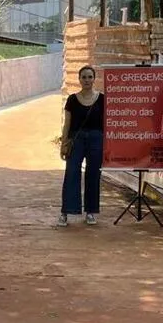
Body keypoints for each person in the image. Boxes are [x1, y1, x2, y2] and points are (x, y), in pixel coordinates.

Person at [57, 65, 105, 227]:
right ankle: (66, 211)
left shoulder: (102, 99)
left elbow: (106, 123)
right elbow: (67, 124)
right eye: (83, 77)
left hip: (96, 139)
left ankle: (90, 211)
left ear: (94, 79)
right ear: (79, 79)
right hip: (76, 139)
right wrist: (64, 144)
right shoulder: (72, 99)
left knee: (93, 174)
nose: (87, 80)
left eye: (89, 77)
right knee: (71, 172)